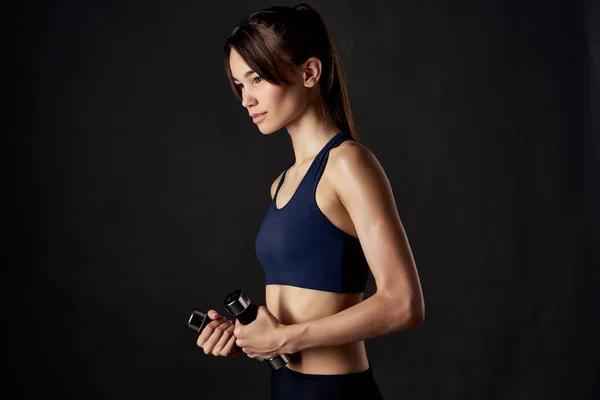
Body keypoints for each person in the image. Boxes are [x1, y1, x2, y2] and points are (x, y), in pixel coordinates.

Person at [196, 3, 425, 399]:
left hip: (336, 392)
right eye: (240, 85)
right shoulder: (280, 184)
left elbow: (404, 303)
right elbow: (299, 309)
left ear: (310, 72)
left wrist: (285, 339)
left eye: (257, 79)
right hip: (285, 387)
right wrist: (248, 335)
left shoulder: (348, 164)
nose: (246, 98)